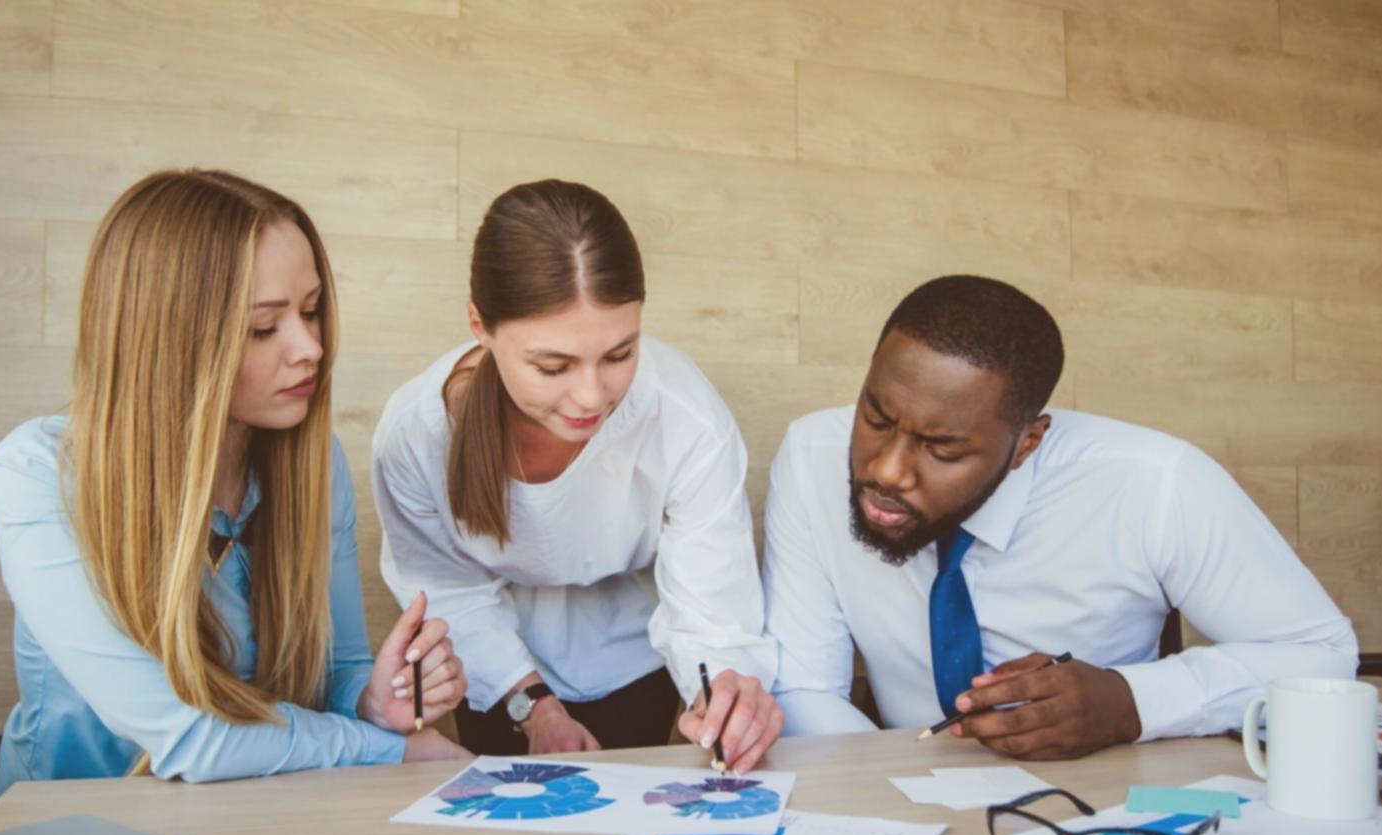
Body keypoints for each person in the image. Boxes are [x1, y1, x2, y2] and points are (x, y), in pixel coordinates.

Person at [0, 169, 469, 795]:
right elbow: (188, 735)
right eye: (263, 327)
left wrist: (377, 700)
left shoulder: (313, 462)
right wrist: (384, 749)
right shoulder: (39, 475)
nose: (311, 349)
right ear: (169, 341)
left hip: (254, 815)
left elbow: (337, 674)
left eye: (312, 311)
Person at [763, 274, 1359, 760]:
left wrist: (1130, 701)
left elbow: (1321, 652)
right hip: (899, 782)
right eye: (876, 417)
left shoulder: (1154, 481)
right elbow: (804, 686)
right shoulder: (813, 455)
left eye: (942, 449)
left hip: (1104, 804)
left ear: (1027, 443)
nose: (887, 471)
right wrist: (906, 791)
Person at [371, 179, 782, 773]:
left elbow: (711, 609)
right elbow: (450, 592)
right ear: (479, 325)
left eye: (619, 355)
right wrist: (535, 706)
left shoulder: (686, 416)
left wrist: (726, 692)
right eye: (552, 365)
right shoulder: (415, 435)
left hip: (637, 645)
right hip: (495, 650)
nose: (591, 397)